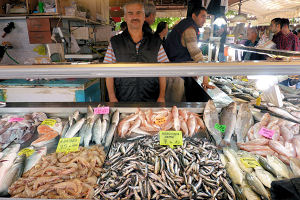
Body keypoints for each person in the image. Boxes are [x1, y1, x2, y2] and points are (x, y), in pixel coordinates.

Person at [103, 1, 168, 102]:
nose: (135, 17)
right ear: (125, 17)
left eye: (138, 13)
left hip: (151, 99)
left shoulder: (155, 42)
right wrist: (112, 97)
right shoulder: (115, 42)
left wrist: (161, 96)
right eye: (130, 13)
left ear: (143, 16)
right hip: (123, 99)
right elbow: (108, 72)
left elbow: (163, 72)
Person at [165, 7, 214, 102]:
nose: (204, 20)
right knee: (175, 105)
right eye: (202, 17)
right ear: (193, 16)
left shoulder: (184, 24)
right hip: (177, 74)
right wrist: (205, 78)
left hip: (173, 70)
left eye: (206, 17)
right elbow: (196, 53)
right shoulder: (189, 29)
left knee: (172, 104)